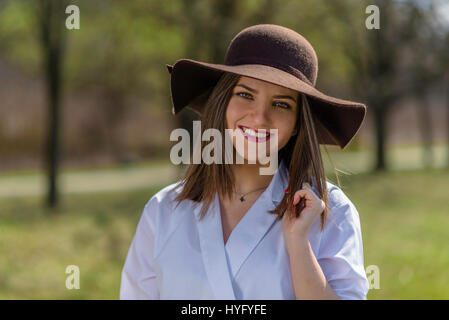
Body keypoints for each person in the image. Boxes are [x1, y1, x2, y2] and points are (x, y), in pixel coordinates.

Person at [120, 24, 369, 300]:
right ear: (222, 102)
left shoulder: (330, 213)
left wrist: (298, 245)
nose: (260, 117)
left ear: (298, 123)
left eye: (282, 104)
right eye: (245, 95)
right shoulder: (163, 211)